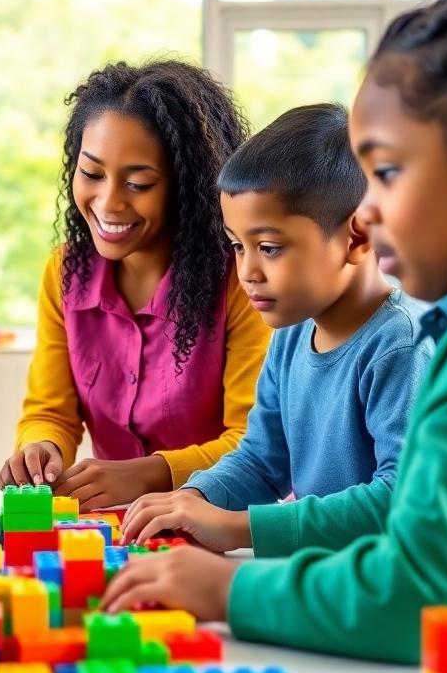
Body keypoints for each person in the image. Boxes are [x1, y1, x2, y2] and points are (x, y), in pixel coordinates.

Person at [102, 0, 447, 673]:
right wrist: (195, 506)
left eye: (386, 172)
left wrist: (232, 582)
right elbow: (267, 458)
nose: (365, 214)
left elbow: (423, 589)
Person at [120, 104, 431, 553]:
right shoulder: (290, 335)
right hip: (321, 582)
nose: (247, 271)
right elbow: (261, 461)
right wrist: (193, 498)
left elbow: (399, 498)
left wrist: (240, 528)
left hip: (383, 594)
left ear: (358, 237)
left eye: (268, 247)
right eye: (237, 246)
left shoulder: (400, 345)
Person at [0, 60, 270, 511]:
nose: (108, 202)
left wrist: (150, 475)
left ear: (188, 187)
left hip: (222, 520)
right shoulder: (65, 274)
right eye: (91, 173)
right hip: (116, 528)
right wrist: (39, 449)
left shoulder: (241, 280)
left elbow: (255, 442)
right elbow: (50, 411)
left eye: (138, 183)